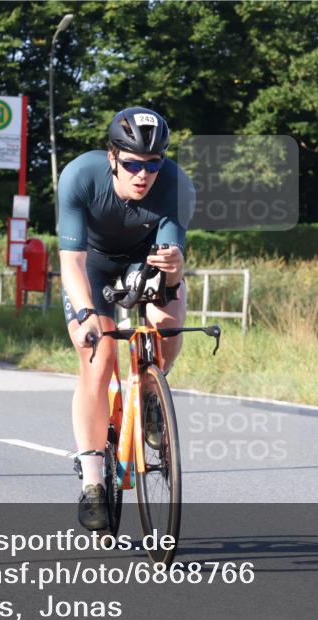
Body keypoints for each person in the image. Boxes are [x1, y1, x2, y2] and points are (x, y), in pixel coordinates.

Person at [58, 107, 195, 531]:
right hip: (93, 267)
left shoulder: (175, 185)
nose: (143, 174)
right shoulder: (80, 177)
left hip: (145, 261)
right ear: (112, 156)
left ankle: (152, 396)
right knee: (98, 363)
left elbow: (173, 264)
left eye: (152, 164)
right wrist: (84, 316)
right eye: (133, 163)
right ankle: (94, 484)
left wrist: (174, 264)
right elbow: (72, 262)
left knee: (167, 326)